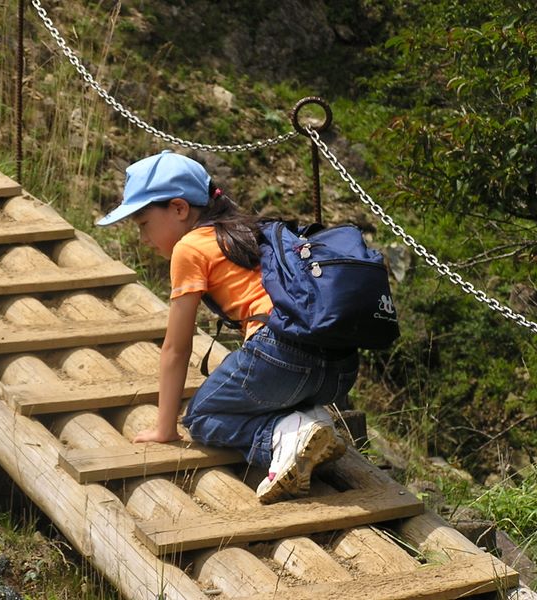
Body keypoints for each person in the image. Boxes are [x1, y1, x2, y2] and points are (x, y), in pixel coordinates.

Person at [96, 150, 359, 503]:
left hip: (281, 353)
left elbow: (176, 348)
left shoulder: (189, 248)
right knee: (251, 391)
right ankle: (312, 419)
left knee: (203, 418)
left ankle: (286, 433)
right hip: (339, 371)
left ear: (179, 208)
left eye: (143, 223)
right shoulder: (252, 229)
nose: (142, 237)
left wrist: (164, 428)